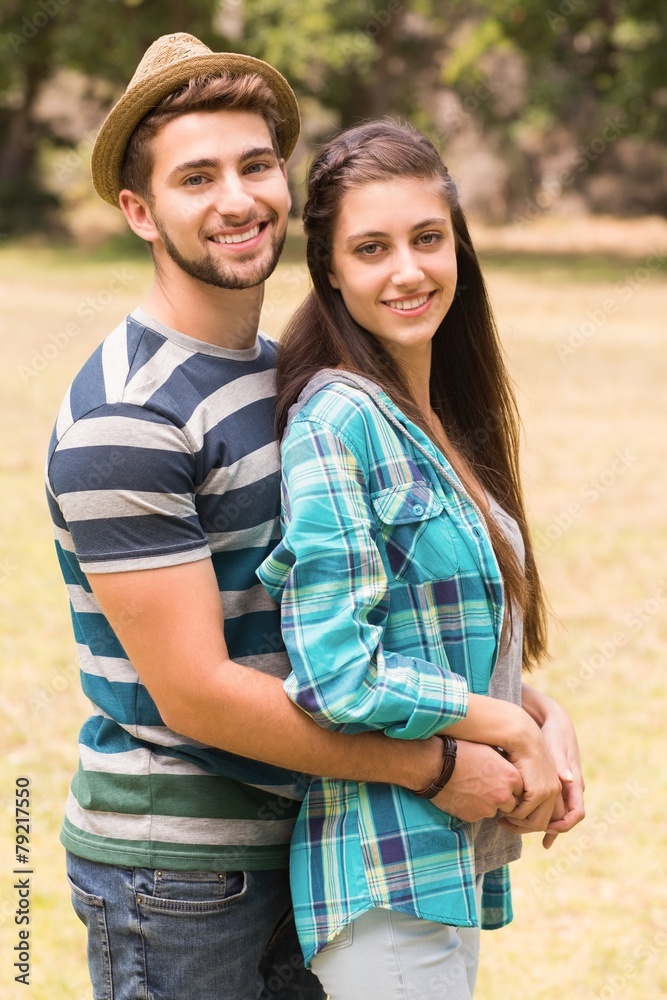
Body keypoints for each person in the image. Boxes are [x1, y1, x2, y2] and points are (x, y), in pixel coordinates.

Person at [44, 34, 553, 1000]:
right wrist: (438, 767)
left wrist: (523, 708)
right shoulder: (126, 416)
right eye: (196, 177)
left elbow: (359, 607)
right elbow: (197, 695)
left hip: (309, 836)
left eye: (255, 164)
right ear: (139, 211)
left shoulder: (287, 376)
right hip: (181, 873)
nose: (237, 199)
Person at [257, 118, 585, 999]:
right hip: (378, 874)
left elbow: (433, 633)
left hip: (438, 868)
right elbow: (335, 670)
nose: (408, 270)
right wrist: (506, 726)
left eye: (427, 238)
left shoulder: (431, 411)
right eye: (372, 248)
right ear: (329, 270)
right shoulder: (337, 421)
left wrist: (541, 717)